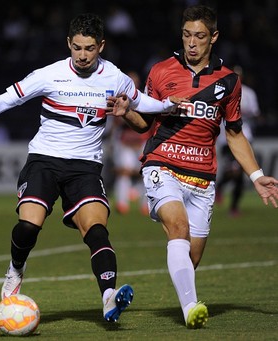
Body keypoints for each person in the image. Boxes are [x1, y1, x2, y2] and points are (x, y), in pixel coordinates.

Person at [0, 13, 177, 323]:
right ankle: (16, 268)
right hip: (44, 160)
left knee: (97, 230)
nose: (83, 55)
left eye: (90, 48)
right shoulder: (49, 75)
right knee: (28, 226)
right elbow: (5, 101)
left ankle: (108, 297)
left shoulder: (114, 77)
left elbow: (141, 102)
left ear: (101, 46)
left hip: (85, 167)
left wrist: (167, 106)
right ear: (68, 44)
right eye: (77, 48)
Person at [109, 5, 278, 329]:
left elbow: (234, 133)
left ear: (213, 37)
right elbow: (144, 123)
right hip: (162, 163)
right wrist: (126, 111)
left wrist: (255, 176)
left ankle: (174, 296)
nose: (191, 43)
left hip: (203, 176)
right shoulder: (160, 72)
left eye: (199, 36)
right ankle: (190, 309)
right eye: (187, 35)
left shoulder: (229, 81)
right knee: (178, 227)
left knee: (191, 257)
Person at [216, 65, 261, 216]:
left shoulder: (248, 93)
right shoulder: (222, 92)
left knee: (239, 174)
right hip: (226, 139)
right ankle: (221, 189)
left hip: (245, 136)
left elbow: (256, 113)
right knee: (233, 171)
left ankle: (233, 206)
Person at [112, 70, 151, 215]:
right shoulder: (119, 99)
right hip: (126, 142)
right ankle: (122, 203)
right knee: (124, 172)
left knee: (145, 173)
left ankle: (146, 204)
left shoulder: (143, 98)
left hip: (142, 141)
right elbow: (116, 122)